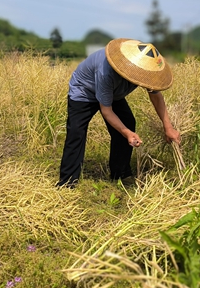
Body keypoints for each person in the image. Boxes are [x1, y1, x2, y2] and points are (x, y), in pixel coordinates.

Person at [57, 38, 181, 187]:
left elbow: (156, 97)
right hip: (84, 91)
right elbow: (106, 111)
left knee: (128, 122)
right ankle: (68, 182)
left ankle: (120, 174)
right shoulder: (106, 71)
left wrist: (168, 127)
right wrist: (128, 134)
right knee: (76, 131)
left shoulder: (144, 70)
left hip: (113, 93)